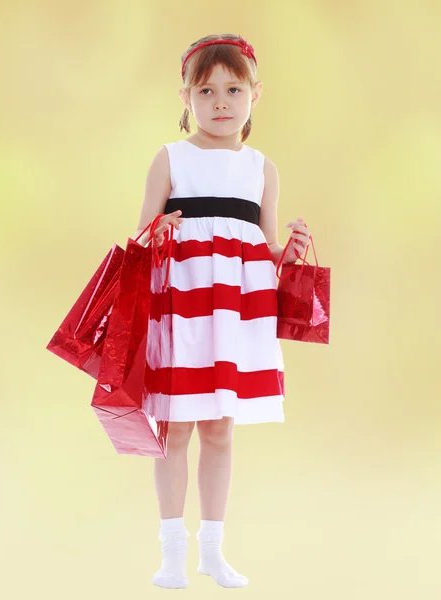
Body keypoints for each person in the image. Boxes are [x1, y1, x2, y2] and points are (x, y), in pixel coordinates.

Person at [133, 33, 311, 589]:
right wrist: (158, 231)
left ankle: (212, 548)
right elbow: (139, 234)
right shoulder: (171, 158)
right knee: (175, 426)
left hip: (237, 309)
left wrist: (291, 252)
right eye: (206, 90)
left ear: (256, 94)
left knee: (219, 428)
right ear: (185, 97)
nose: (220, 101)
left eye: (234, 89)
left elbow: (265, 243)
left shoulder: (263, 168)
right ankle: (170, 551)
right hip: (181, 306)